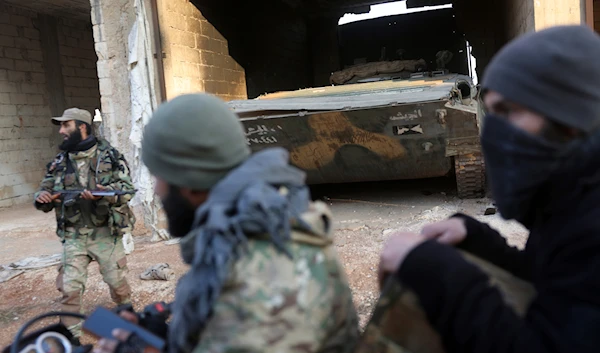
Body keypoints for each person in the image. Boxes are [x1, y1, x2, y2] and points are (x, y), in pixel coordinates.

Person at [378, 25, 600, 353]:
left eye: (508, 111)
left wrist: (434, 269)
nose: (493, 131)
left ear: (568, 113)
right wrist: (478, 240)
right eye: (492, 112)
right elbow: (561, 281)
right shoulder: (575, 195)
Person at [94, 93, 359, 353]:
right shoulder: (258, 225)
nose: (157, 190)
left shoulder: (260, 287)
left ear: (188, 181)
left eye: (158, 176)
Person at [34, 108, 136, 338]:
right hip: (74, 235)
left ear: (82, 127)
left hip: (105, 232)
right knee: (70, 288)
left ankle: (128, 326)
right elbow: (45, 190)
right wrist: (42, 198)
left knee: (117, 283)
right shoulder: (59, 162)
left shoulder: (110, 156)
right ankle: (72, 337)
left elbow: (127, 190)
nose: (61, 131)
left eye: (66, 125)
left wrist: (106, 193)